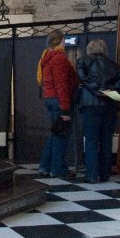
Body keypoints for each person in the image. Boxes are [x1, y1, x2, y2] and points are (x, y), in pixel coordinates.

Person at [76, 39, 120, 183]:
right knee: (106, 139)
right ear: (104, 49)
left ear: (89, 49)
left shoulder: (83, 61)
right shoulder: (114, 65)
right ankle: (105, 174)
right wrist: (109, 90)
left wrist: (97, 90)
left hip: (90, 103)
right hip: (110, 104)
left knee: (91, 140)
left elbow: (83, 78)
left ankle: (91, 175)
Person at [36, 29, 79, 178]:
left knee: (55, 133)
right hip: (58, 99)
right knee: (62, 134)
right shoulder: (59, 58)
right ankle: (57, 168)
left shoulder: (46, 57)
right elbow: (61, 84)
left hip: (49, 97)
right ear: (60, 40)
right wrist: (65, 110)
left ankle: (45, 166)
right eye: (64, 40)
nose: (65, 43)